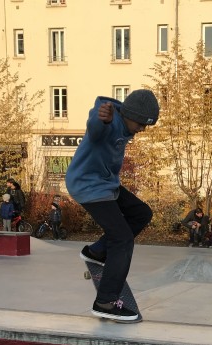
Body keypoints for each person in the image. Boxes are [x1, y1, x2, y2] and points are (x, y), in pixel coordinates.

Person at [66, 89, 160, 322]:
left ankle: (97, 252)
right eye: (140, 124)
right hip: (88, 186)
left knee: (141, 213)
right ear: (128, 115)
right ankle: (105, 302)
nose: (141, 130)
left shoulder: (125, 125)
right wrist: (101, 121)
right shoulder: (107, 121)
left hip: (106, 185)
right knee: (122, 238)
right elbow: (95, 132)